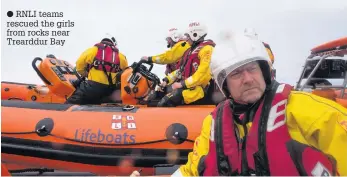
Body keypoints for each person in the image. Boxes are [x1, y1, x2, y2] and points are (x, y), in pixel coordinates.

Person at [130, 31, 347, 176]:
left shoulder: (310, 113)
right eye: (236, 74)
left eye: (252, 69)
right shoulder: (214, 125)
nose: (247, 79)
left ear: (264, 72)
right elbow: (191, 171)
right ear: (224, 85)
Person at [156, 22, 216, 107]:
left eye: (188, 36)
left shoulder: (207, 50)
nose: (186, 38)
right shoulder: (190, 51)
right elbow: (181, 70)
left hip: (201, 91)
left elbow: (202, 74)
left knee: (166, 101)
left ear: (195, 34)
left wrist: (182, 84)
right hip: (190, 88)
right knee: (161, 95)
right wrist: (166, 80)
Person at [66, 35, 128, 105]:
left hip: (92, 87)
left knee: (74, 100)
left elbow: (79, 64)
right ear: (113, 44)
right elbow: (125, 73)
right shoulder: (121, 56)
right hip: (110, 90)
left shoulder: (92, 50)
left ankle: (62, 113)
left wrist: (85, 74)